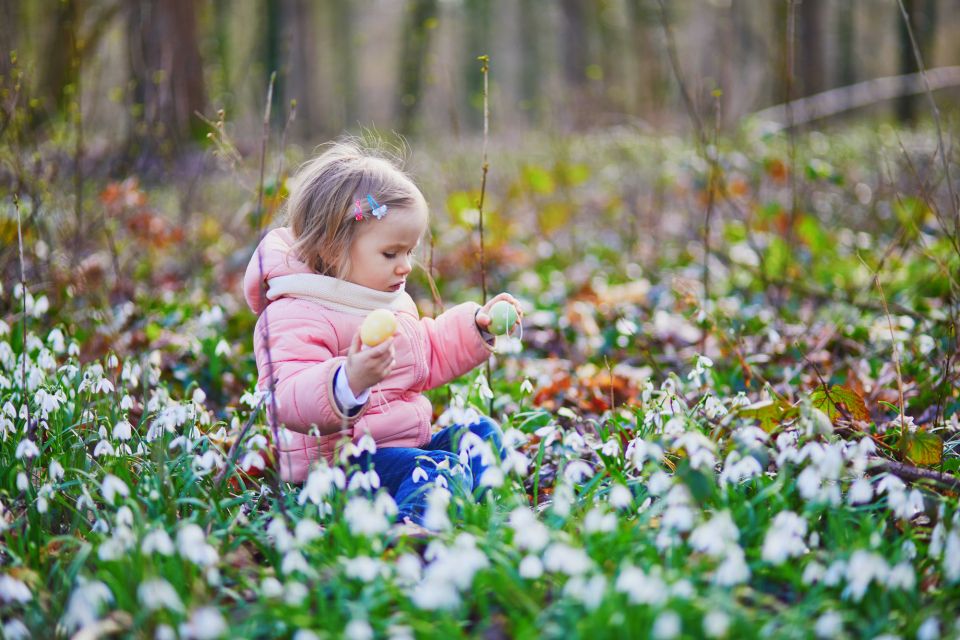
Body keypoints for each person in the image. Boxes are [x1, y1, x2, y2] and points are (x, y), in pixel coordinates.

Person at [242, 141, 522, 526]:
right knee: (435, 471)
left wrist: (477, 326)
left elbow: (427, 354)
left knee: (479, 435)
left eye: (410, 251)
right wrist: (348, 381)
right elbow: (284, 397)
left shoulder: (387, 301)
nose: (406, 266)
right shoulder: (295, 310)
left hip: (404, 450)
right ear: (332, 247)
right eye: (391, 254)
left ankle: (503, 520)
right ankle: (412, 538)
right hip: (337, 471)